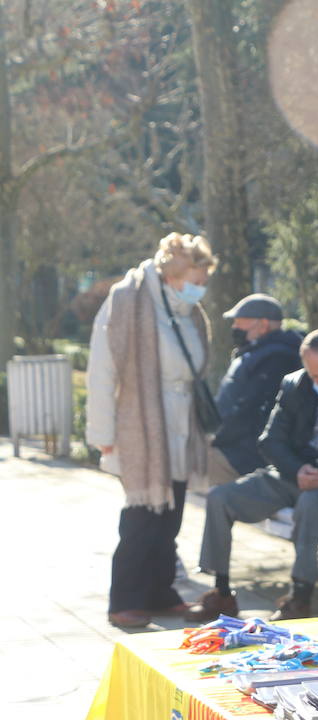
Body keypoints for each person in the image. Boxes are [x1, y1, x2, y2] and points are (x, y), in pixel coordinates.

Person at [189, 328, 318, 623]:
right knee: (220, 498)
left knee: (311, 504)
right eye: (313, 375)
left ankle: (300, 597)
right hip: (290, 476)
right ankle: (222, 592)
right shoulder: (295, 385)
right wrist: (296, 469)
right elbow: (270, 440)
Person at [86, 233, 218, 628]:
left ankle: (160, 590)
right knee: (142, 516)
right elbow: (101, 370)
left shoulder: (187, 311)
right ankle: (124, 598)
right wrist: (103, 433)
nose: (201, 288)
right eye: (196, 278)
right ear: (174, 275)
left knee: (170, 512)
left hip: (179, 423)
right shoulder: (128, 301)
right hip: (140, 425)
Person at [207, 294, 302, 486]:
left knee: (180, 463)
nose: (235, 328)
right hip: (234, 447)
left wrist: (216, 439)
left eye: (240, 322)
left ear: (263, 324)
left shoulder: (276, 359)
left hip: (243, 455)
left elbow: (248, 412)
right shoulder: (256, 352)